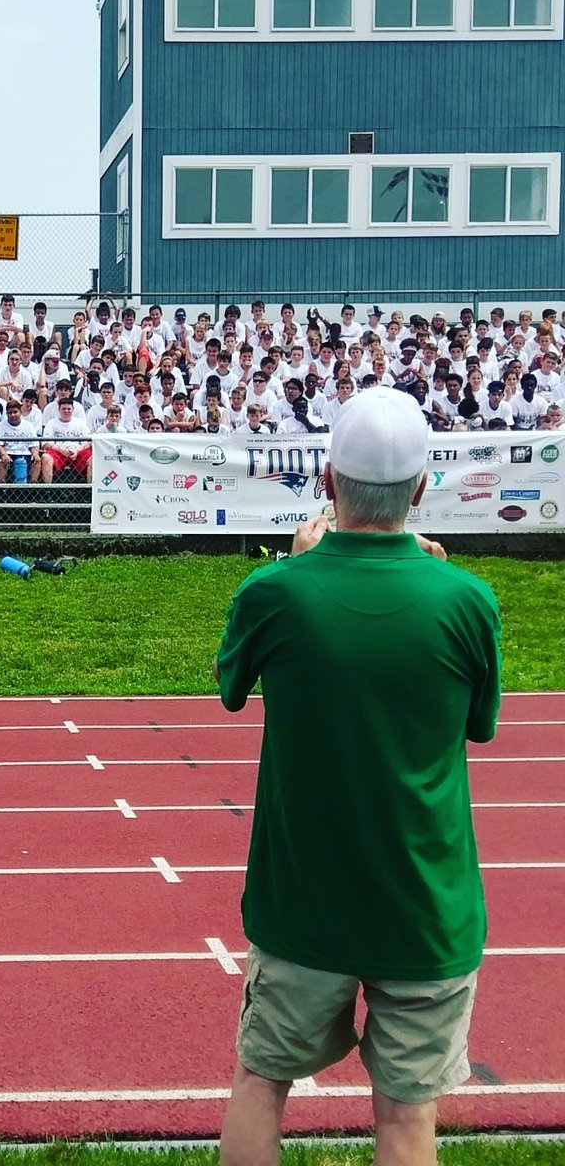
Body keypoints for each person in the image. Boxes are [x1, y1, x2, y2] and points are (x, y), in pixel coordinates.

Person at [214, 385, 502, 1166]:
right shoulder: (469, 602)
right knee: (408, 1123)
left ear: (329, 483)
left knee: (259, 1084)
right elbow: (478, 726)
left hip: (302, 905)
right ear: (420, 487)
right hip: (425, 909)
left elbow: (231, 689)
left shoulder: (274, 593)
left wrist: (302, 570)